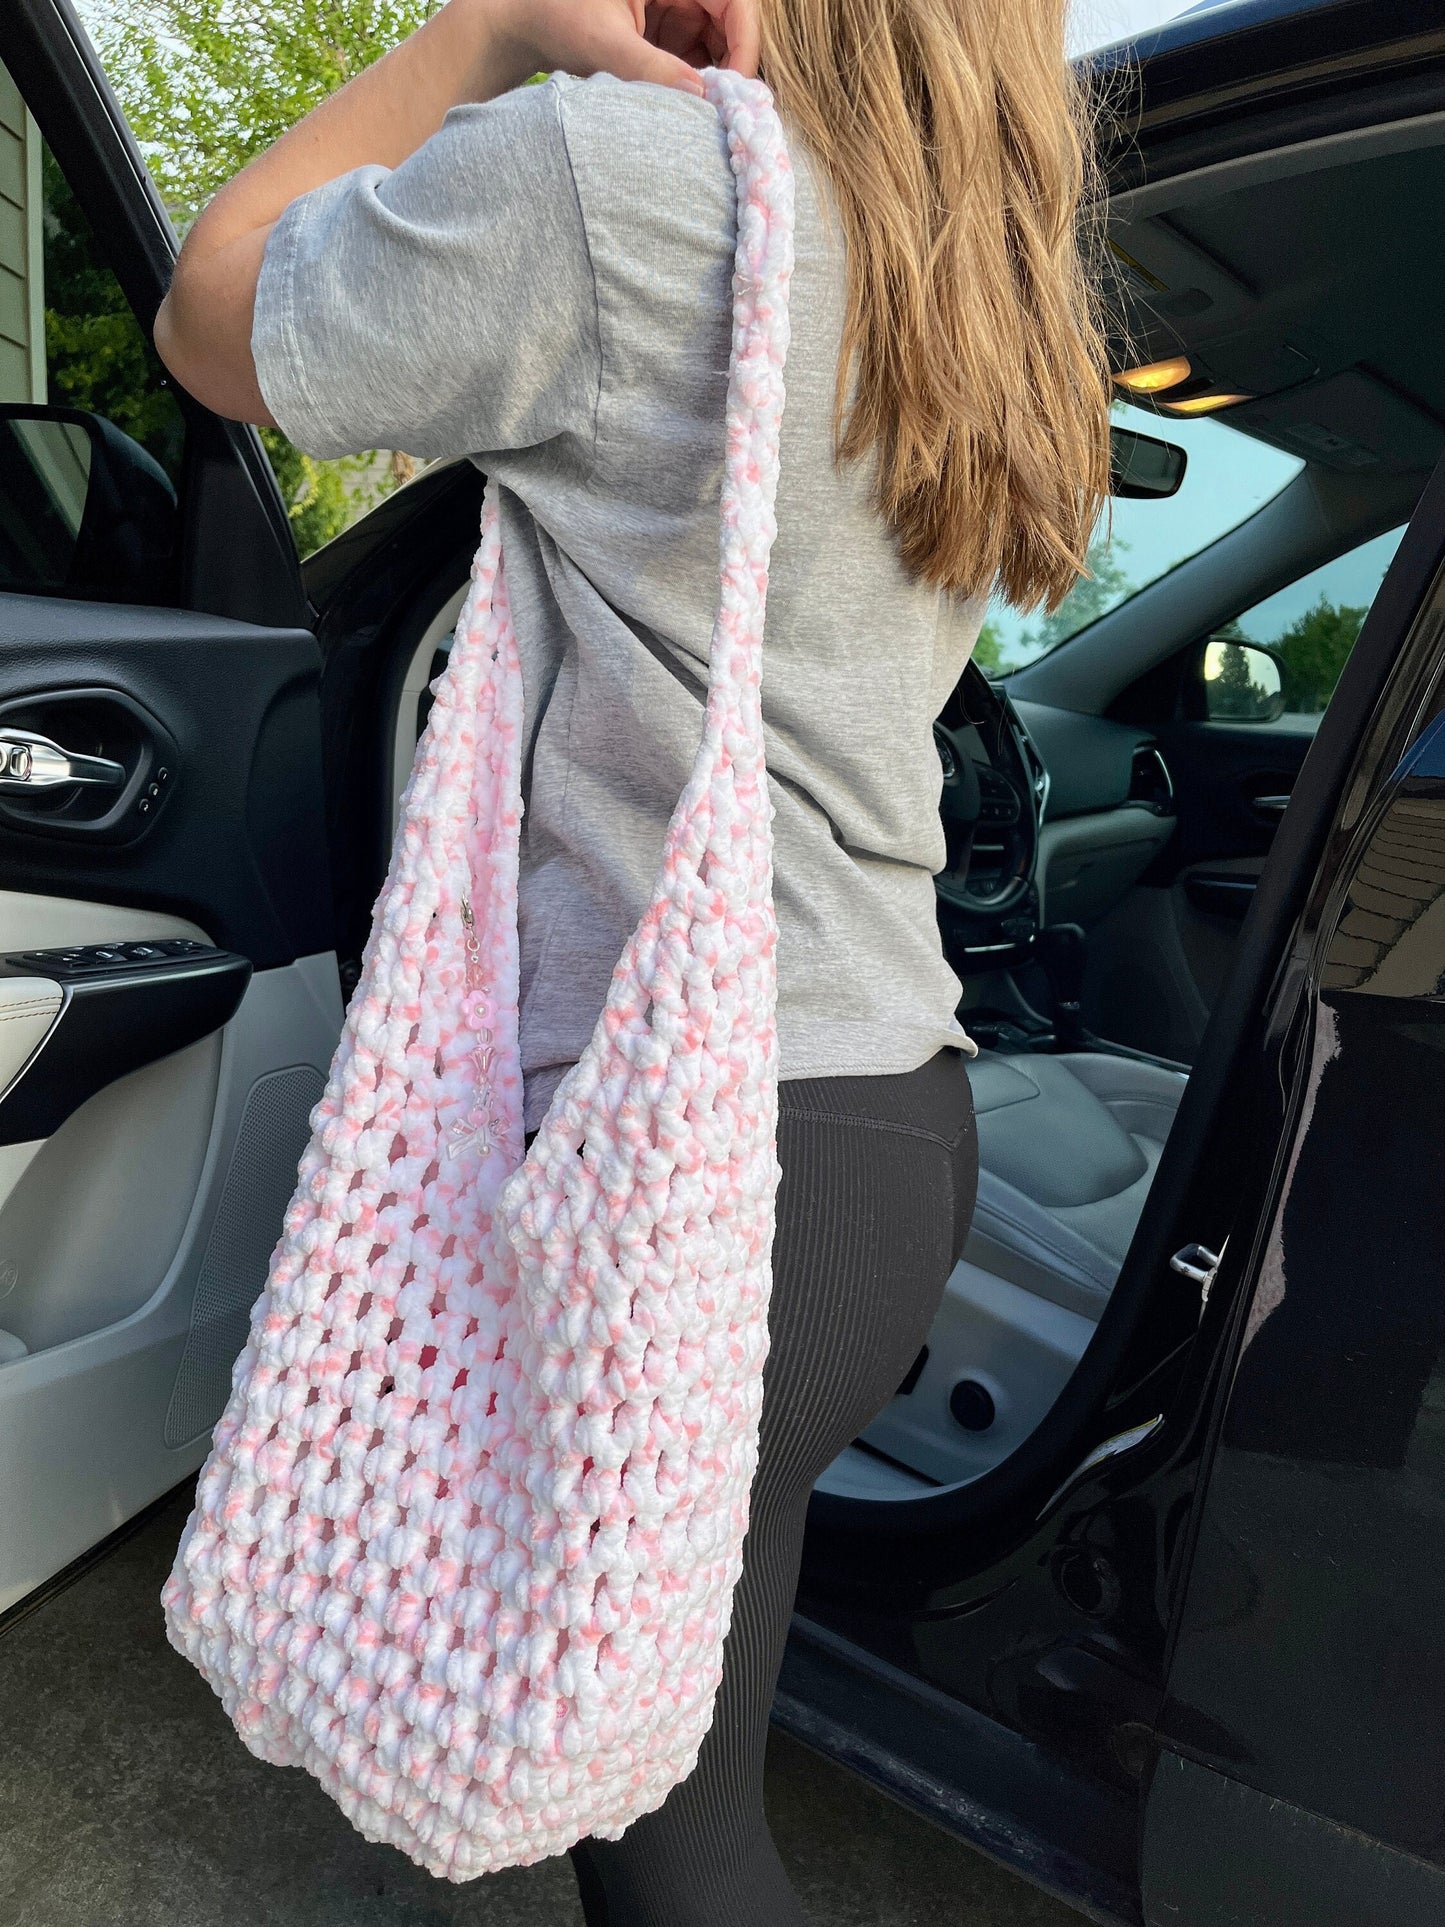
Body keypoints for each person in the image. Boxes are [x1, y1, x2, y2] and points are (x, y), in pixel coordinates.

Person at [154, 1, 1110, 1919]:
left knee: (665, 1827)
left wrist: (497, 31)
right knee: (673, 1761)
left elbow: (209, 313)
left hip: (675, 1153)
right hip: (887, 1126)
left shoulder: (631, 187)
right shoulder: (970, 264)